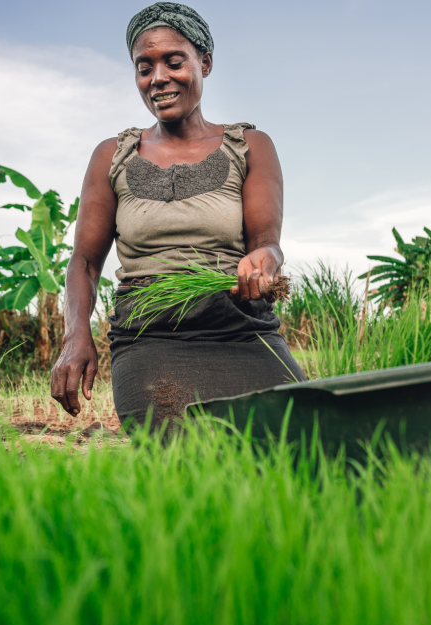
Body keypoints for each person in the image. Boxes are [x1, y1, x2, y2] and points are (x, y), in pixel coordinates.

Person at [50, 1, 305, 432]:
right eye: (144, 67)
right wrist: (77, 334)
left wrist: (265, 262)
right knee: (186, 462)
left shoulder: (249, 146)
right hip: (150, 337)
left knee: (298, 445)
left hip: (241, 330)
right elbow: (86, 263)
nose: (158, 78)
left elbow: (266, 242)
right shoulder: (112, 156)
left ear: (204, 62)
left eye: (173, 61)